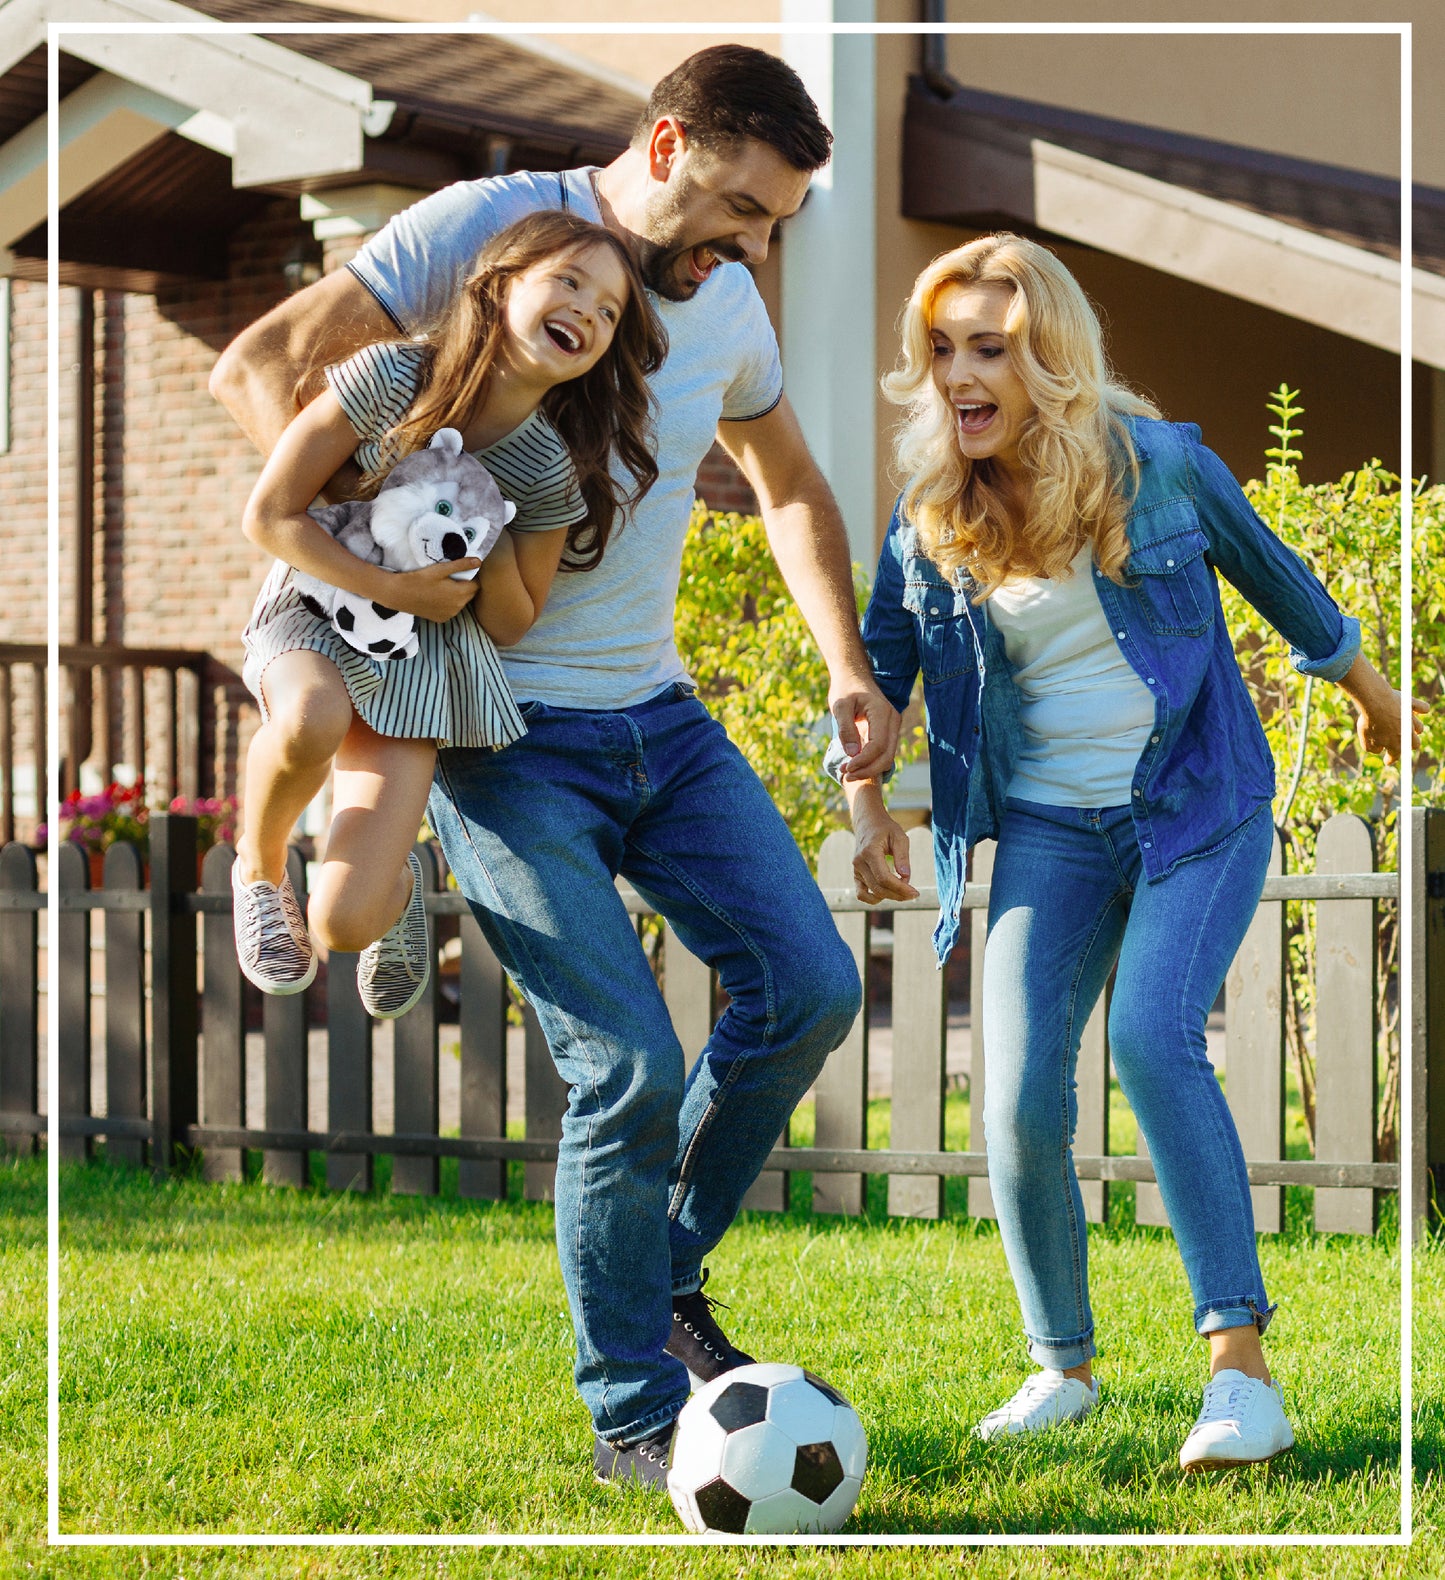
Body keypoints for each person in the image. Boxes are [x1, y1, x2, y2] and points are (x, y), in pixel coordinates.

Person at [210, 46, 898, 1485]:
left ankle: (657, 1279)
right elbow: (263, 367)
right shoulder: (481, 232)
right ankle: (635, 1414)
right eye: (739, 207)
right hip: (496, 731)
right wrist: (383, 561)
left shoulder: (725, 302)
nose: (756, 246)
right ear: (664, 146)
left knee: (812, 991)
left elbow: (786, 487)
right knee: (627, 1066)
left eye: (775, 222)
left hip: (660, 717)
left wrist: (846, 664)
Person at [837, 233, 1417, 1472]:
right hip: (1049, 825)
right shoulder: (931, 513)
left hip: (1192, 802)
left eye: (986, 348)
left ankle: (1240, 1378)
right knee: (1013, 1085)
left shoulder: (1158, 466)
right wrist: (865, 801)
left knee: (1154, 1036)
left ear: (1048, 357)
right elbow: (877, 675)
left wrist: (1374, 697)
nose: (956, 376)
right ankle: (1061, 1367)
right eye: (938, 351)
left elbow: (1282, 582)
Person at [233, 211, 665, 1019]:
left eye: (609, 311)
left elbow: (510, 621)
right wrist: (393, 587)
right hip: (319, 606)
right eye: (569, 281)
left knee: (344, 922)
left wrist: (487, 526)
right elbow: (270, 516)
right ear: (500, 286)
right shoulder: (392, 378)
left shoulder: (542, 470)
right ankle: (257, 870)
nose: (588, 310)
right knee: (311, 715)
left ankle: (394, 891)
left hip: (422, 664)